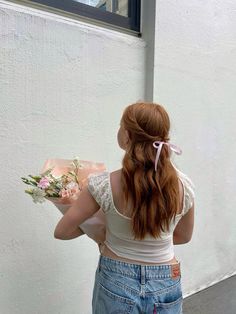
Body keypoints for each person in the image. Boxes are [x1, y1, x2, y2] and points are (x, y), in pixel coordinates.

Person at [54, 102, 195, 314]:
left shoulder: (103, 185)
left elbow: (62, 232)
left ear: (127, 136)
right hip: (166, 278)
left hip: (116, 276)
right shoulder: (184, 186)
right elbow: (184, 236)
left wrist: (104, 233)